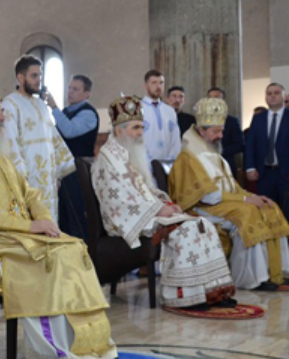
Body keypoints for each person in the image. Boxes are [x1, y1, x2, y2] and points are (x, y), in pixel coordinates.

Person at [0, 71, 117, 359]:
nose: (2, 116)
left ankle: (91, 341)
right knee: (49, 258)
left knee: (73, 247)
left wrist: (46, 220)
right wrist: (27, 226)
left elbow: (30, 194)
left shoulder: (1, 155)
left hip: (23, 234)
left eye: (1, 110)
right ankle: (52, 348)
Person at [92, 96, 235, 309]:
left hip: (147, 214)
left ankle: (213, 292)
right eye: (135, 128)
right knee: (185, 231)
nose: (140, 133)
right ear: (119, 131)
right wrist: (157, 211)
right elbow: (117, 201)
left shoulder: (129, 153)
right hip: (126, 221)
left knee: (204, 225)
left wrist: (165, 203)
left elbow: (146, 189)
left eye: (141, 127)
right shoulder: (108, 159)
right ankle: (183, 296)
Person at [169, 97, 289, 290]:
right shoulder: (189, 156)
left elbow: (231, 185)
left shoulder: (214, 153)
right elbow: (207, 195)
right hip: (202, 207)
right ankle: (253, 278)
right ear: (201, 131)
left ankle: (277, 272)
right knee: (247, 214)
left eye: (221, 131)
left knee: (269, 206)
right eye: (216, 131)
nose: (221, 135)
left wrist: (254, 197)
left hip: (223, 203)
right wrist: (245, 199)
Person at [3, 55, 75, 222]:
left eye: (40, 76)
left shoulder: (41, 105)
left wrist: (57, 173)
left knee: (50, 222)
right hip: (29, 180)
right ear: (20, 77)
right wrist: (21, 180)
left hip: (48, 181)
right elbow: (10, 143)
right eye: (34, 76)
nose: (38, 80)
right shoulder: (10, 105)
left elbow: (54, 139)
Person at [46, 74, 97, 239]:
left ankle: (83, 253)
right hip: (65, 171)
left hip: (79, 172)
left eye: (75, 89)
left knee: (76, 215)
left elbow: (70, 131)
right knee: (64, 216)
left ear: (87, 94)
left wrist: (54, 108)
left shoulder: (88, 113)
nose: (70, 92)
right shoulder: (67, 111)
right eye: (69, 88)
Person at [245, 83, 289, 215]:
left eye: (276, 93)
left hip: (286, 174)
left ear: (283, 96)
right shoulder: (258, 118)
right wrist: (250, 167)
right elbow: (251, 144)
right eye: (269, 94)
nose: (273, 96)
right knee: (267, 211)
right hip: (264, 174)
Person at [141, 70, 181, 166]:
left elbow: (175, 140)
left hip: (168, 165)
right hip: (145, 165)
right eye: (154, 83)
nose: (158, 87)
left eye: (161, 83)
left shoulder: (170, 111)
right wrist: (148, 162)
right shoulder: (138, 108)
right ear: (145, 85)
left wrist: (171, 162)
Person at [206, 87, 244, 178]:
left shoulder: (232, 121)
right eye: (210, 98)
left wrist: (220, 151)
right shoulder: (202, 121)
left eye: (217, 98)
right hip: (206, 166)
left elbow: (240, 144)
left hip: (226, 165)